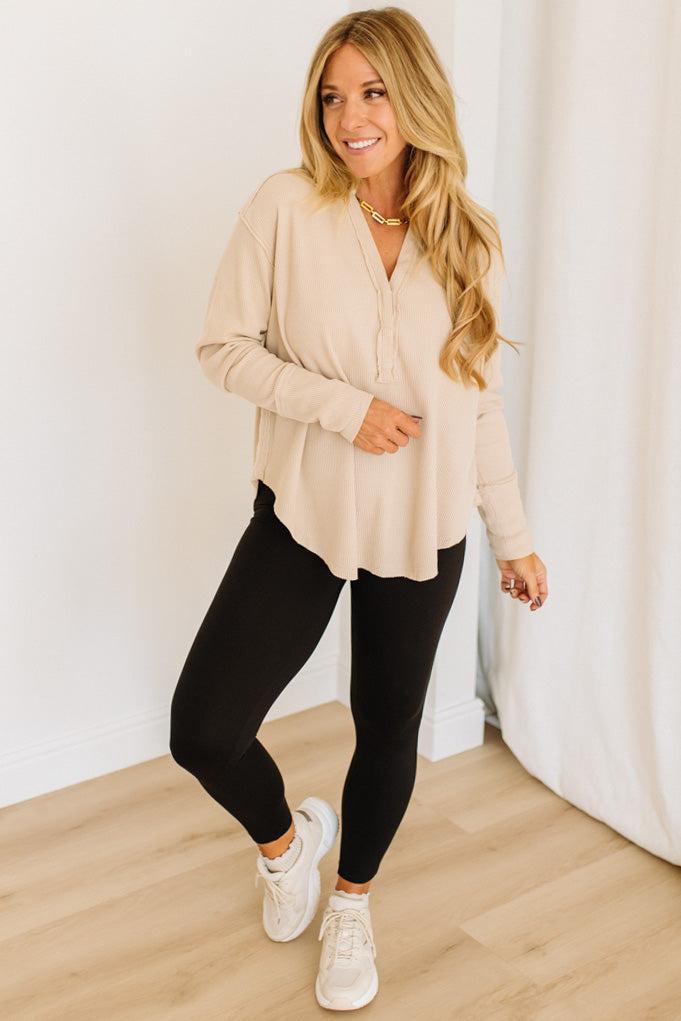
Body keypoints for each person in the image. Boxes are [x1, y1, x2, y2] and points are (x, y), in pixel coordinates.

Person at [170, 6, 549, 1012]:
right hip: (305, 512)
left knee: (386, 728)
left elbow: (479, 406)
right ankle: (286, 846)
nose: (350, 118)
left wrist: (513, 538)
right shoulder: (285, 207)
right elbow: (223, 348)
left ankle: (351, 901)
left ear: (415, 97)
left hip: (424, 525)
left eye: (373, 92)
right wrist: (345, 409)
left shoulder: (469, 236)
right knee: (204, 728)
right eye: (333, 96)